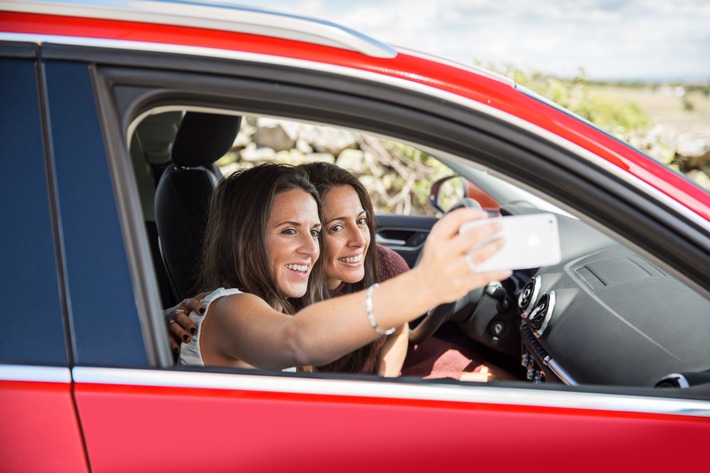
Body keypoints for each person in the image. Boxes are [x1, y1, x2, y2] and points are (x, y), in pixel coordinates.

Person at [170, 162, 511, 372]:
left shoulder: (264, 303)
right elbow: (297, 339)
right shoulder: (231, 308)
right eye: (290, 230)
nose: (309, 248)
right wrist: (425, 285)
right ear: (244, 239)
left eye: (315, 231)